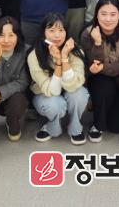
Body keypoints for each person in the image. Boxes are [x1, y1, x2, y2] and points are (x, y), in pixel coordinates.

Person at [81, 0, 119, 142]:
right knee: (103, 85)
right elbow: (94, 63)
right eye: (103, 14)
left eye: (113, 14)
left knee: (116, 126)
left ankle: (110, 107)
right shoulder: (87, 33)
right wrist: (98, 42)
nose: (108, 19)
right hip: (100, 79)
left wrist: (102, 67)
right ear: (96, 14)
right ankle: (97, 125)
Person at [27, 13, 89, 145]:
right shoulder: (34, 55)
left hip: (68, 90)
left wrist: (65, 57)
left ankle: (75, 127)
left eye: (61, 30)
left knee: (80, 94)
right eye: (51, 30)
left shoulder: (76, 51)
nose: (57, 35)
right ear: (43, 33)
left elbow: (72, 86)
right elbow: (53, 91)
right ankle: (51, 126)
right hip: (46, 94)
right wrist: (58, 63)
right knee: (56, 104)